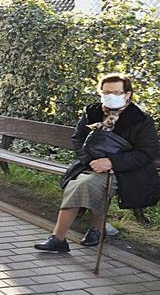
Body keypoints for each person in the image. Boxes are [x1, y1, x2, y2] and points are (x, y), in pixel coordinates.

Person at [35, 73, 160, 253]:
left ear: (128, 94)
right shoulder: (92, 111)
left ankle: (60, 238)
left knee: (83, 184)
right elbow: (78, 140)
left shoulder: (141, 119)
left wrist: (111, 162)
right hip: (90, 164)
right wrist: (93, 160)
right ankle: (94, 230)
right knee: (87, 182)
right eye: (106, 92)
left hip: (126, 172)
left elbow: (146, 153)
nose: (110, 96)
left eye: (116, 92)